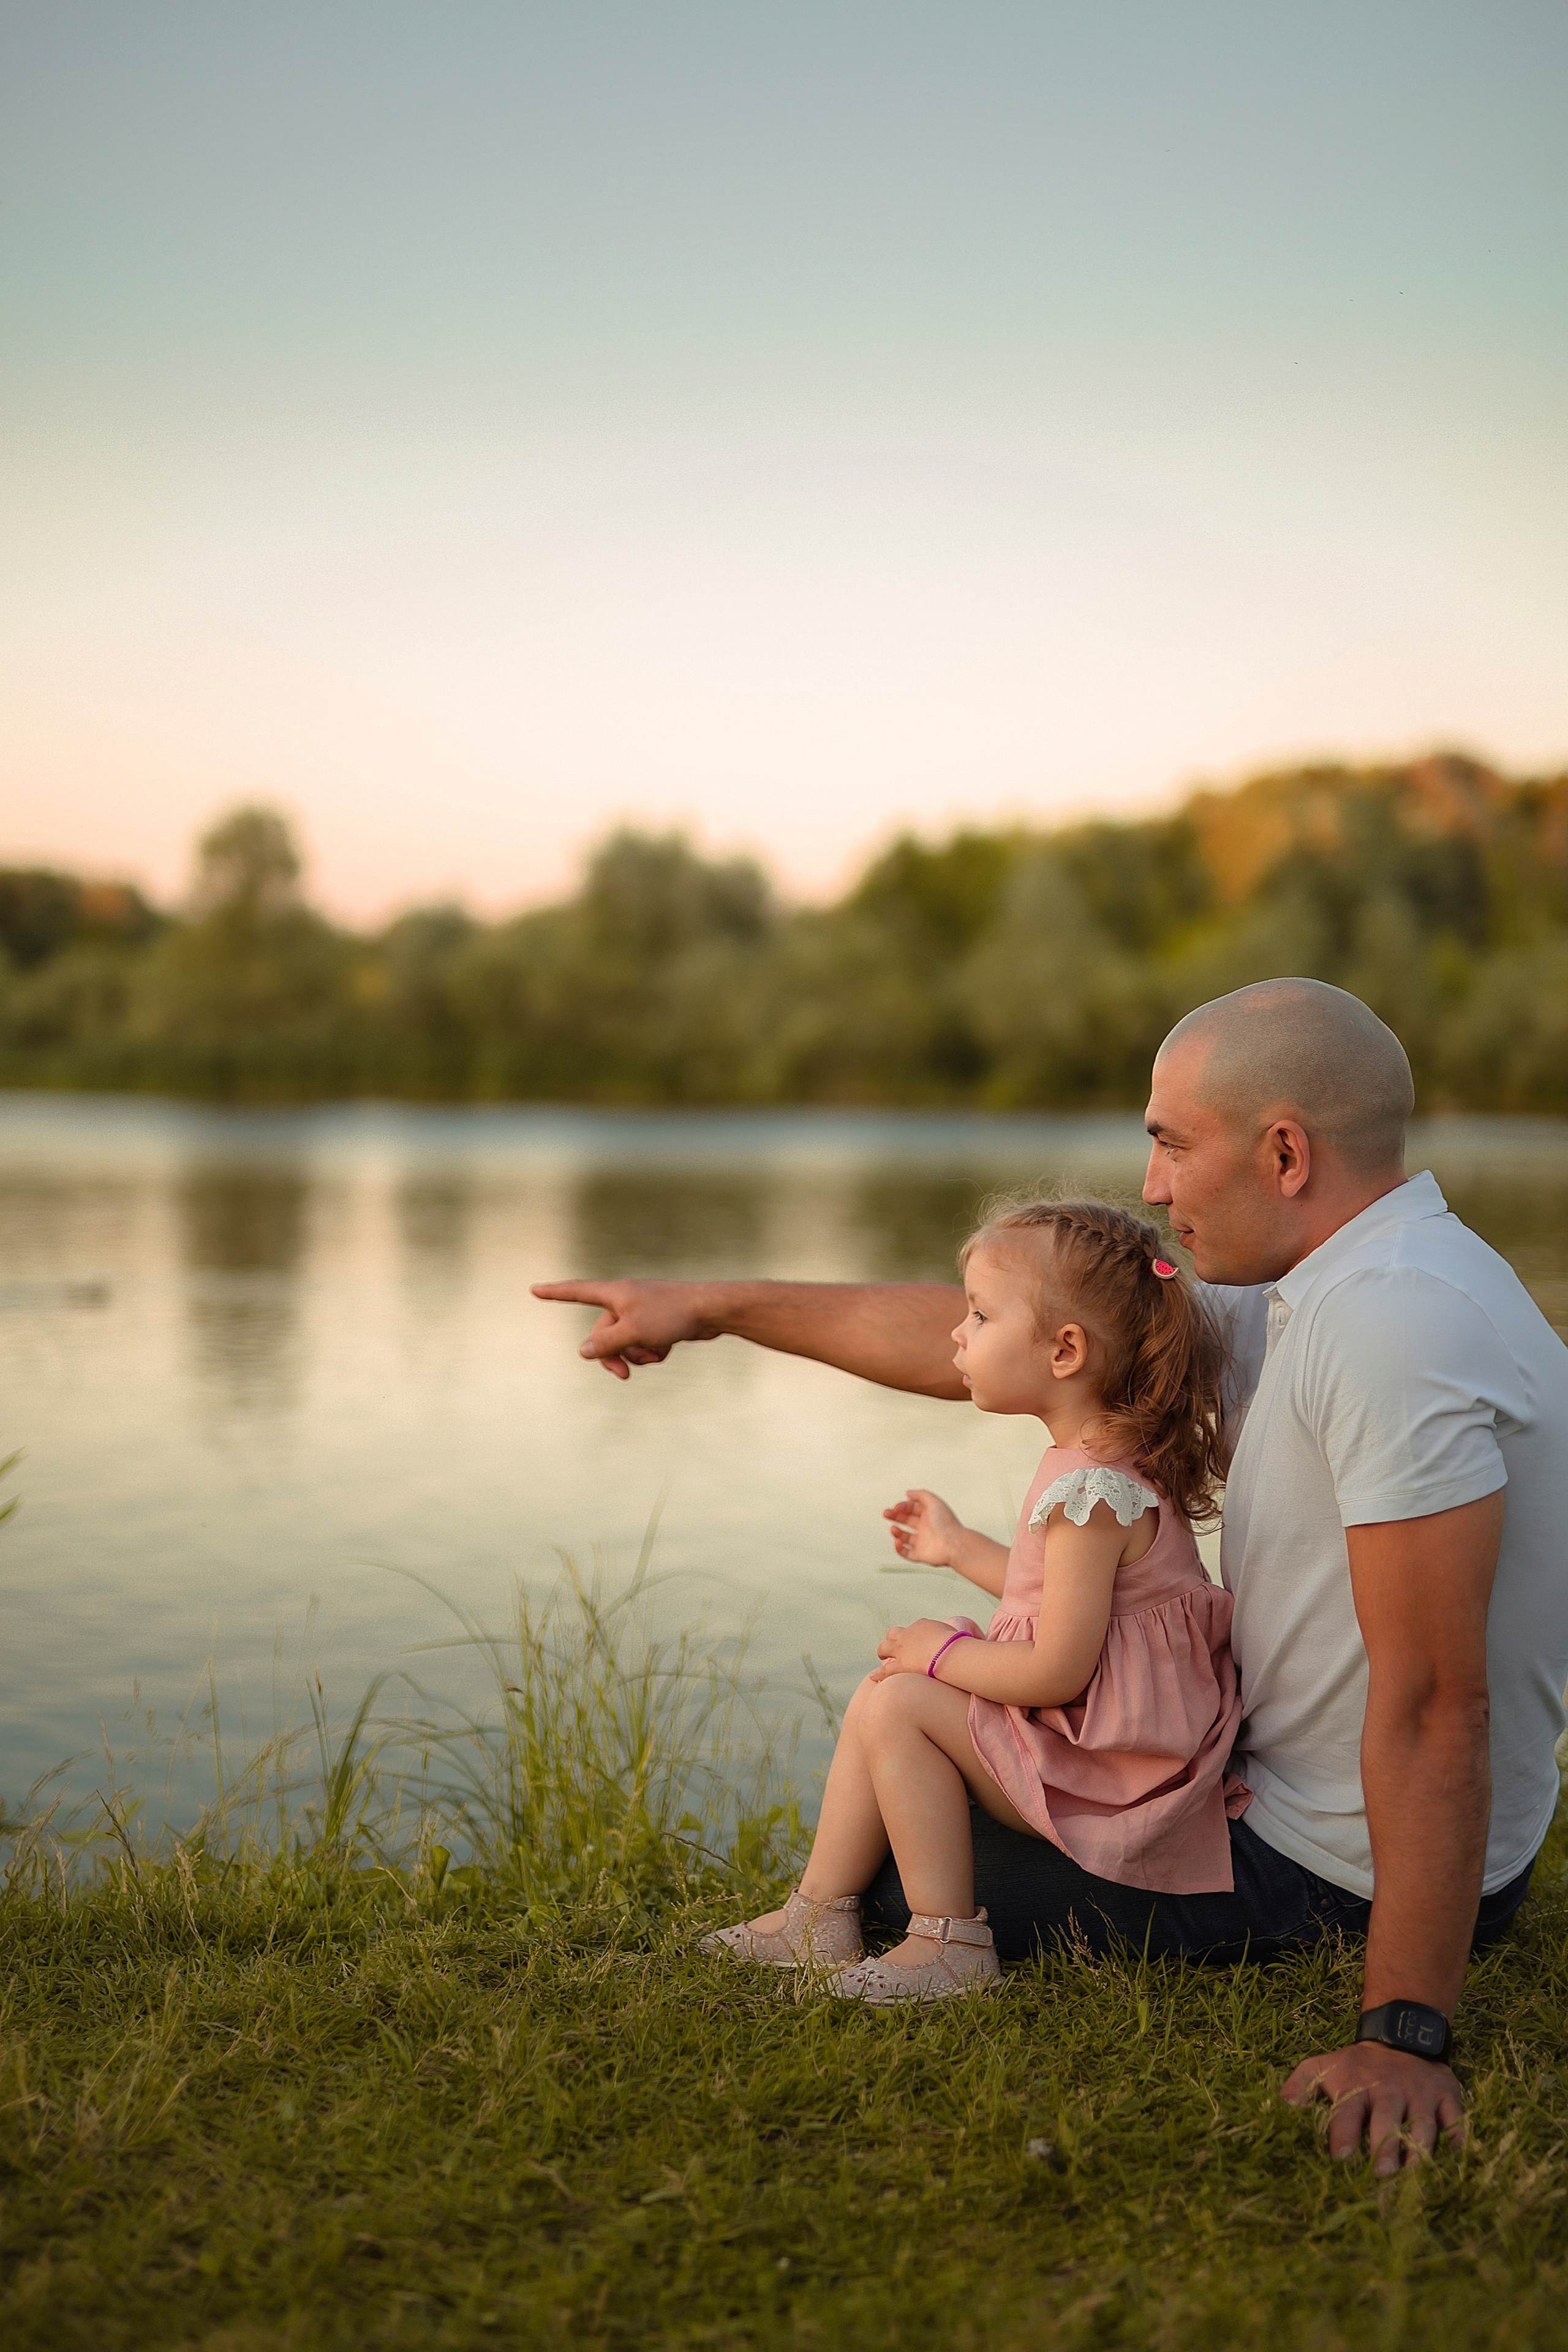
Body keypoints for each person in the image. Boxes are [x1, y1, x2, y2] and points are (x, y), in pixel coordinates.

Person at [534, 979, 1568, 2174]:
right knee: (916, 1792)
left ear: (1283, 1151)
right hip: (1271, 1792)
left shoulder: (1397, 1330)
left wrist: (1401, 2032)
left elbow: (1439, 1701)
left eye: (1172, 1144)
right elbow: (995, 1338)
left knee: (888, 1878)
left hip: (1336, 1866)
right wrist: (711, 1307)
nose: (1151, 1186)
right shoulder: (1324, 1289)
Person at [702, 1199, 1245, 2002]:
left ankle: (949, 1940)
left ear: (1065, 1351)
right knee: (892, 1691)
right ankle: (816, 1914)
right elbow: (1061, 1601)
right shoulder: (1104, 1463)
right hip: (1115, 1740)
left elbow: (1057, 1667)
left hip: (1113, 1769)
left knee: (900, 1701)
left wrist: (941, 1654)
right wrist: (957, 1548)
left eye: (981, 1315)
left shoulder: (1090, 1491)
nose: (959, 1334)